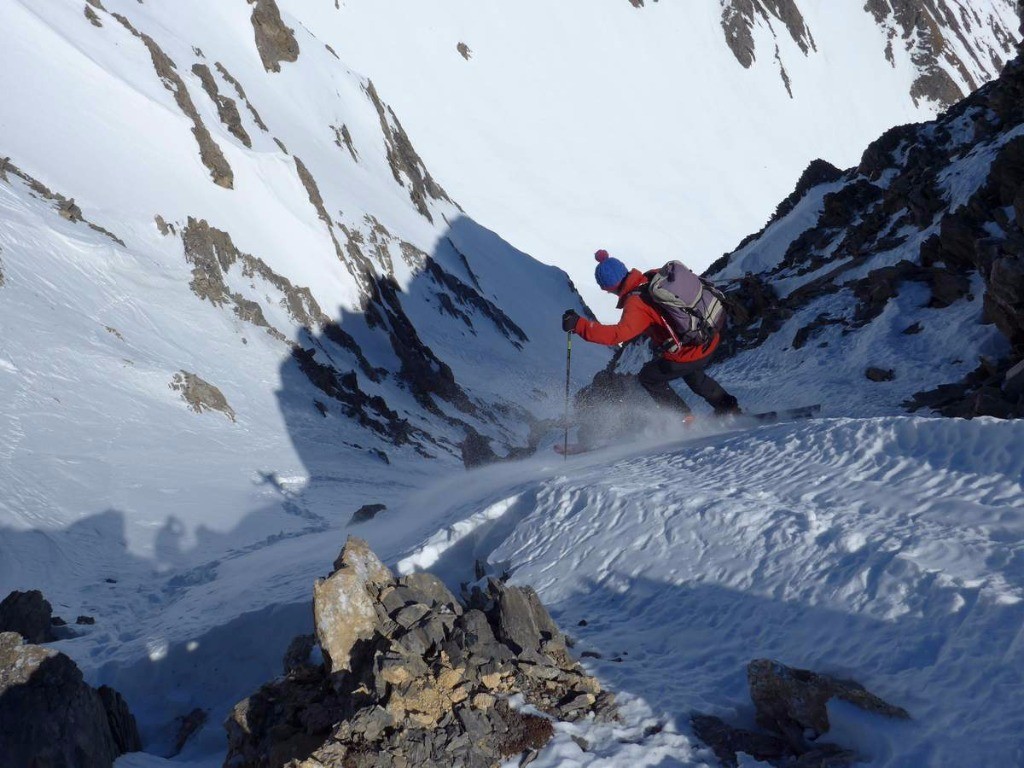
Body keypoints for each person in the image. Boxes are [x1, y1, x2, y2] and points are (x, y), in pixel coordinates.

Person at [562, 249, 741, 423]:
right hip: (709, 336)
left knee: (649, 377)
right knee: (693, 375)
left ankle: (684, 419)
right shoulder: (653, 277)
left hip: (689, 351)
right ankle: (728, 408)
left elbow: (617, 335)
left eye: (606, 289)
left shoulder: (636, 302)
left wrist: (579, 325)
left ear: (609, 287)